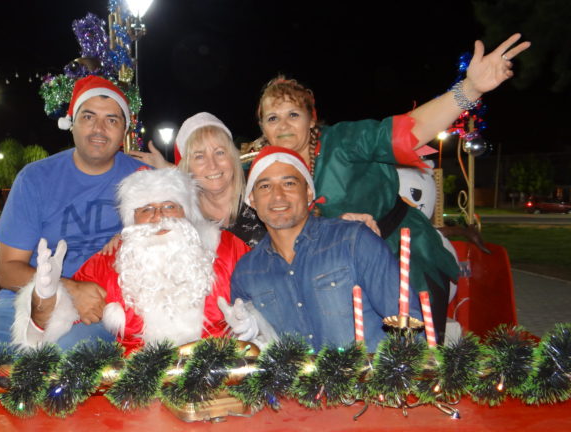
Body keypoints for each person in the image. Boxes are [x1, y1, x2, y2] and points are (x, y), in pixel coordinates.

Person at [250, 34, 530, 341]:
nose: (284, 126)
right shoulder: (269, 172)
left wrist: (470, 89)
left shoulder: (346, 141)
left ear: (311, 120)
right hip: (337, 279)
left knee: (415, 352)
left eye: (294, 115)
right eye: (273, 118)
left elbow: (410, 130)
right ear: (263, 127)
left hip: (403, 257)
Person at [0, 75, 147, 354]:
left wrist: (173, 174)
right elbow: (7, 270)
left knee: (66, 368)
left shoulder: (143, 178)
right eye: (88, 117)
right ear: (71, 123)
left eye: (112, 120)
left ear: (124, 129)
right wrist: (71, 290)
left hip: (103, 305)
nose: (99, 128)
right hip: (25, 298)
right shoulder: (35, 179)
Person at [11, 168, 250, 354]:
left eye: (169, 206)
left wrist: (253, 325)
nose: (158, 217)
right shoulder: (108, 263)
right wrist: (45, 297)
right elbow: (48, 333)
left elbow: (265, 295)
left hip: (223, 373)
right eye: (146, 209)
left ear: (186, 212)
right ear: (132, 219)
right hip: (138, 386)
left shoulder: (226, 248)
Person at [228, 146, 422, 352]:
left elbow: (408, 323)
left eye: (289, 183)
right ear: (252, 200)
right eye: (265, 186)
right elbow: (256, 349)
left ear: (309, 192)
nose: (278, 195)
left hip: (369, 382)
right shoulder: (246, 273)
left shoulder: (353, 241)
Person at [129, 112, 378, 247]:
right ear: (186, 166)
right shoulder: (183, 217)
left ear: (233, 157)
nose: (213, 165)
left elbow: (305, 223)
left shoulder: (261, 193)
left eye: (220, 152)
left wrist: (342, 226)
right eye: (199, 156)